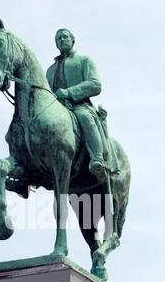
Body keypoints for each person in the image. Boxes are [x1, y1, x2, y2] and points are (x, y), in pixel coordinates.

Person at [46, 28, 116, 183]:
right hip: (56, 110)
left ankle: (97, 159)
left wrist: (69, 92)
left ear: (72, 40)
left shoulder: (84, 60)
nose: (62, 40)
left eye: (65, 37)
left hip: (79, 105)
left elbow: (95, 84)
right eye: (58, 39)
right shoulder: (49, 71)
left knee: (84, 117)